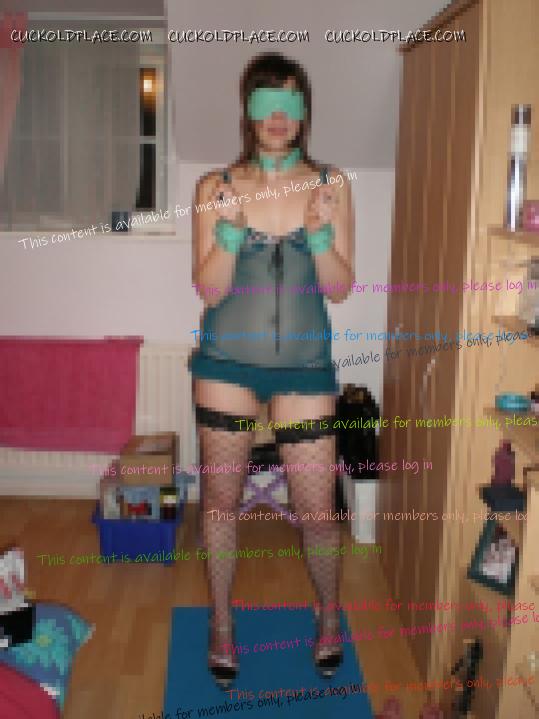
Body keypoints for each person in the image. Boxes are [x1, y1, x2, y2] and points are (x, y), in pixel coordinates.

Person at [189, 51, 355, 688]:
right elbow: (209, 290)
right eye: (266, 101)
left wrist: (321, 236)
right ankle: (222, 623)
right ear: (248, 110)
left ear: (305, 111)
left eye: (290, 101)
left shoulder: (332, 185)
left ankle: (329, 613)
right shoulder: (216, 188)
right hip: (225, 365)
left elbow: (339, 289)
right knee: (220, 506)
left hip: (305, 369)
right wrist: (229, 233)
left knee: (317, 511)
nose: (278, 116)